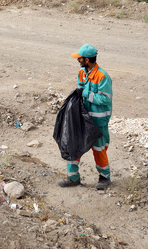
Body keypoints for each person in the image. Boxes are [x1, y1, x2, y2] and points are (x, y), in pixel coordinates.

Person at [57, 44, 113, 190]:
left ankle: (105, 178)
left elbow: (106, 99)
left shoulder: (102, 76)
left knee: (99, 149)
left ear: (87, 60)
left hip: (98, 121)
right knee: (73, 144)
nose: (77, 60)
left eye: (79, 58)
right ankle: (73, 177)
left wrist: (86, 94)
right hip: (82, 118)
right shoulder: (82, 72)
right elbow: (79, 88)